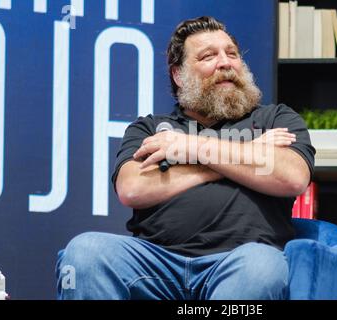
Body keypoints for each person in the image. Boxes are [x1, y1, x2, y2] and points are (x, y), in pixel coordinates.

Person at [56, 16, 315, 300]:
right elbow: (133, 189)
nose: (225, 62)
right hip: (155, 263)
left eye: (232, 54)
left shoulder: (274, 119)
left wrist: (189, 147)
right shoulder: (152, 129)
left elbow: (292, 177)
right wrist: (246, 155)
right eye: (208, 56)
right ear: (179, 75)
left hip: (241, 261)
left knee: (262, 265)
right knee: (85, 250)